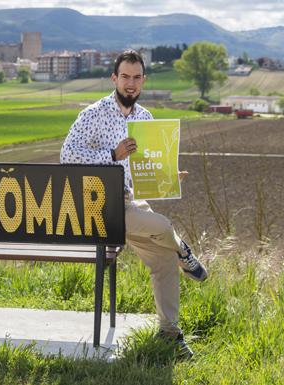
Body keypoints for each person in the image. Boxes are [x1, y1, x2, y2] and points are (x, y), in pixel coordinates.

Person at [60, 50, 208, 359]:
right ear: (114, 78)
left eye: (136, 77)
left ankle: (170, 334)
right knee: (166, 229)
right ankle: (184, 249)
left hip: (131, 202)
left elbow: (146, 169)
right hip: (100, 205)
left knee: (164, 260)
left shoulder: (145, 119)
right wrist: (112, 156)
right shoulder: (94, 114)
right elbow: (67, 156)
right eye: (125, 76)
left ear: (143, 80)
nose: (130, 83)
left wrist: (168, 175)